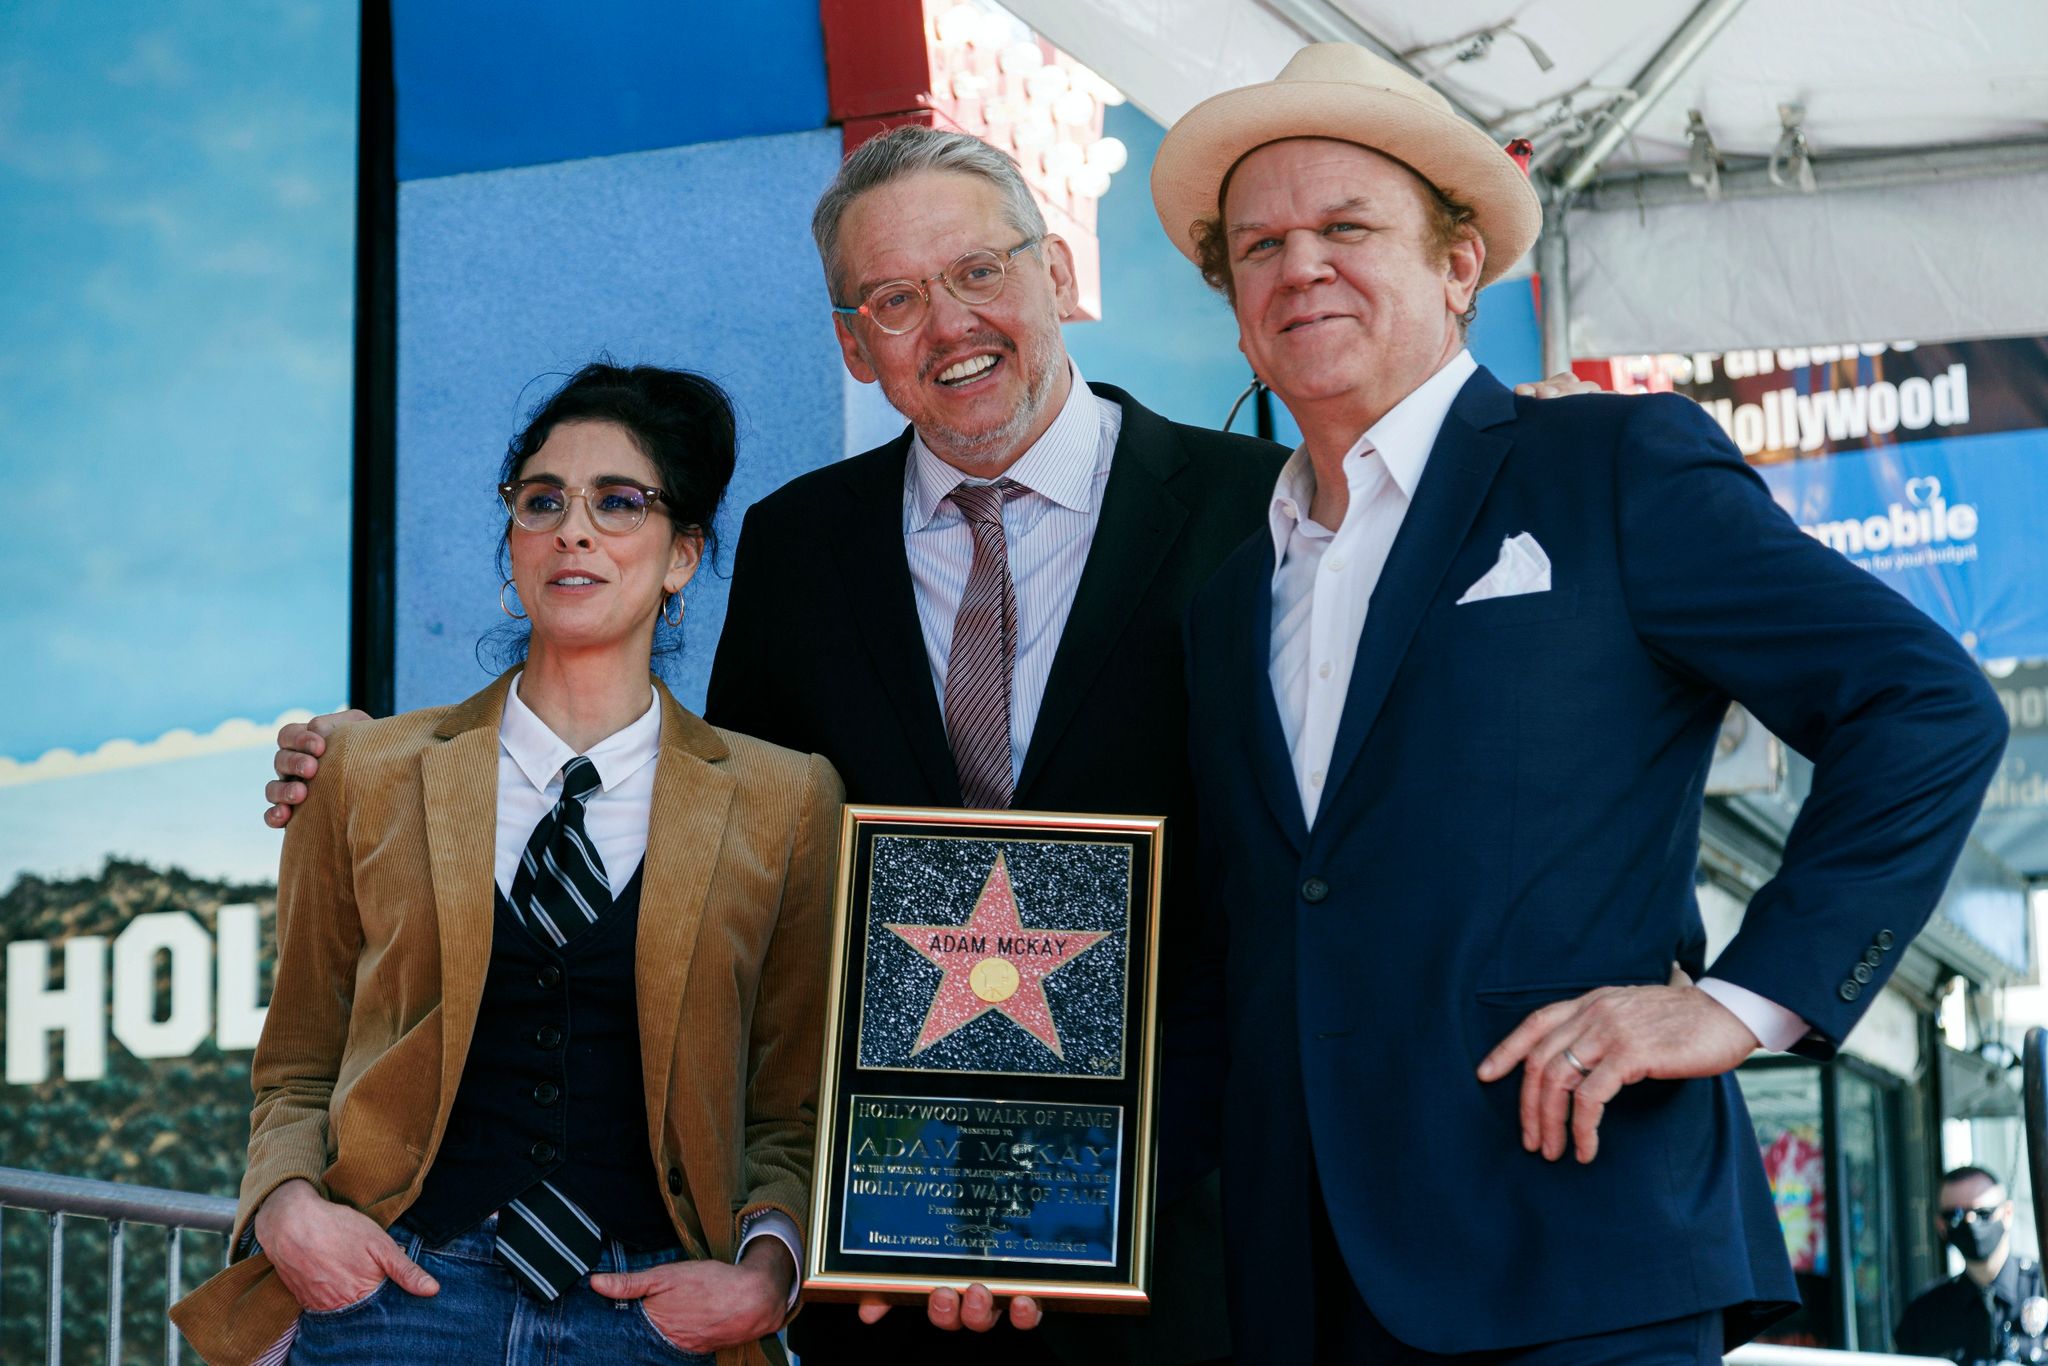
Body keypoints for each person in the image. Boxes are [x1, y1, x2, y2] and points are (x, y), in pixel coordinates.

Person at [258, 128, 1597, 1363]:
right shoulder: (799, 546)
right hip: (890, 1258)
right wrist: (396, 759)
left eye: (977, 271)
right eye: (893, 298)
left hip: (1195, 1240)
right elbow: (730, 845)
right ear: (853, 343)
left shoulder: (1262, 509)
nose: (947, 323)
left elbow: (1377, 822)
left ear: (1059, 273)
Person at [1154, 42, 2011, 1365]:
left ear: (1455, 267)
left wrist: (1737, 1003)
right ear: (1233, 300)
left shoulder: (1609, 464)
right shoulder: (1227, 597)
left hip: (1575, 1257)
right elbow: (1246, 942)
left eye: (1345, 226)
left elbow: (1926, 703)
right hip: (1296, 1285)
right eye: (1258, 244)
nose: (1299, 264)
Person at [171, 364, 842, 1366]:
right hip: (393, 1300)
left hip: (652, 1318)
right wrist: (288, 1209)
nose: (573, 528)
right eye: (541, 501)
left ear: (682, 556)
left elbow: (789, 1100)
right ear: (512, 548)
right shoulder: (364, 770)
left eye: (619, 501)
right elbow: (300, 1059)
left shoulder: (787, 800)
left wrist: (766, 1273)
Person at [1896, 1166, 2048, 1364]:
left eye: (1983, 1213)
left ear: (2007, 1214)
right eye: (1955, 1216)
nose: (1970, 1222)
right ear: (1941, 1226)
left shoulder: (2042, 1288)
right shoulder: (1924, 1316)